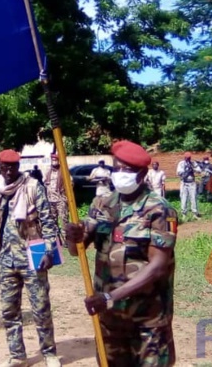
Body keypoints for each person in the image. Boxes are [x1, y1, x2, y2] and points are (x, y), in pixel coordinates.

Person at [65, 140, 177, 366]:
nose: (120, 174)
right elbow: (75, 251)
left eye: (127, 169)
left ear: (142, 173)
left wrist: (110, 297)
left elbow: (158, 266)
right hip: (110, 320)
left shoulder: (160, 209)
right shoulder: (102, 203)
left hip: (148, 320)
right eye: (117, 168)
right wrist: (72, 235)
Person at [0, 149, 61, 367]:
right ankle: (17, 355)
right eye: (4, 167)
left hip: (32, 255)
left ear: (18, 167)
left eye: (12, 167)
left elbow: (47, 221)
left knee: (41, 307)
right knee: (9, 310)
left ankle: (49, 353)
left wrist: (48, 251)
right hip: (6, 259)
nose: (8, 171)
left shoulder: (32, 186)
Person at [44, 154, 70, 242]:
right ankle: (56, 240)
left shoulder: (64, 171)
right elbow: (44, 183)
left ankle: (66, 240)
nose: (54, 161)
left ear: (58, 160)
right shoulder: (48, 171)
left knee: (64, 220)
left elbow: (71, 184)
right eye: (52, 159)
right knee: (52, 221)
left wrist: (65, 193)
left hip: (61, 200)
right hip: (50, 200)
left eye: (55, 159)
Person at [176, 152, 200, 218]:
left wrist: (193, 169)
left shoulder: (193, 163)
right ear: (184, 157)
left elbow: (199, 170)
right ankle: (184, 214)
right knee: (183, 198)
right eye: (186, 158)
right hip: (184, 182)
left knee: (193, 198)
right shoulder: (181, 163)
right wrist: (187, 170)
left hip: (192, 182)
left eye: (189, 158)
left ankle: (195, 213)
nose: (188, 159)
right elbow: (179, 173)